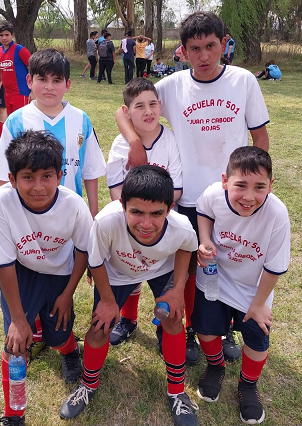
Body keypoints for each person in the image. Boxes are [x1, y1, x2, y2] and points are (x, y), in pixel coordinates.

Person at [115, 11, 270, 365]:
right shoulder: (171, 86)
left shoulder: (244, 81)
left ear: (224, 44)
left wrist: (255, 186)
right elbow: (124, 111)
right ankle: (186, 329)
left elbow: (259, 136)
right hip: (185, 196)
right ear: (182, 51)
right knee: (185, 270)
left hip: (231, 199)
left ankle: (222, 329)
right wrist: (134, 143)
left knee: (224, 264)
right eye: (195, 49)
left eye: (211, 46)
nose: (203, 56)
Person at [59, 165, 200, 426]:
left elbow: (186, 248)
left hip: (160, 268)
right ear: (122, 205)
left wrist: (177, 290)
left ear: (170, 209)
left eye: (156, 213)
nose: (146, 224)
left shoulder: (181, 226)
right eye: (136, 212)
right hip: (117, 273)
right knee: (100, 327)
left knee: (172, 320)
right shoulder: (106, 221)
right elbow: (96, 261)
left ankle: (177, 391)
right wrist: (108, 301)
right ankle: (87, 385)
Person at [0, 130, 93, 426]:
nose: (38, 186)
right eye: (28, 177)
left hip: (60, 272)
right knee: (16, 345)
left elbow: (83, 250)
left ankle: (70, 350)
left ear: (60, 175)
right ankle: (14, 415)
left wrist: (67, 294)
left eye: (47, 176)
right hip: (21, 271)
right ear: (12, 179)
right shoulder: (0, 202)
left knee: (57, 334)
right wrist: (17, 320)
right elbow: (4, 264)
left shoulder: (74, 204)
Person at [193, 146, 290, 425]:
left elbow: (274, 266)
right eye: (241, 185)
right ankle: (216, 366)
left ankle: (248, 385)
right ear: (225, 181)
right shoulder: (213, 194)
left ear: (271, 185)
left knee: (258, 338)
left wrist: (259, 304)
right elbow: (203, 210)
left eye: (259, 187)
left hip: (254, 289)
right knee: (206, 329)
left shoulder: (277, 214)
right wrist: (205, 239)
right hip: (215, 277)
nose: (249, 196)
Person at [105, 77, 183, 346]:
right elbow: (116, 191)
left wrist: (155, 215)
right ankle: (128, 319)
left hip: (163, 226)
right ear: (127, 112)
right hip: (131, 224)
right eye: (139, 106)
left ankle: (164, 327)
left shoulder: (170, 139)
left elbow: (177, 189)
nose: (148, 112)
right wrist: (136, 218)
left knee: (164, 278)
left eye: (152, 104)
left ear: (160, 105)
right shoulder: (120, 144)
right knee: (131, 268)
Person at [0, 48, 106, 219]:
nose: (49, 87)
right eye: (42, 79)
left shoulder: (81, 120)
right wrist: (2, 217)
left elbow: (90, 171)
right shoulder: (16, 121)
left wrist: (93, 212)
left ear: (67, 85)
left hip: (71, 216)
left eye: (57, 80)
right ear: (29, 81)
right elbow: (3, 175)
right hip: (27, 218)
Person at [0, 21, 31, 116]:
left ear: (12, 35)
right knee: (12, 121)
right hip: (7, 94)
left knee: (22, 121)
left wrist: (34, 91)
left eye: (7, 35)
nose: (4, 38)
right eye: (1, 35)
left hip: (21, 93)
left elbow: (33, 70)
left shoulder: (20, 50)